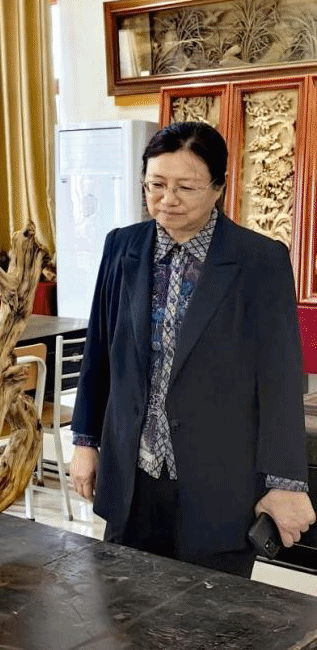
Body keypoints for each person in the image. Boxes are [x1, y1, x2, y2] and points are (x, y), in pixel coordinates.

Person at [70, 121, 314, 577]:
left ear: (219, 187)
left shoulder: (259, 260)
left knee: (210, 613)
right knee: (124, 604)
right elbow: (99, 352)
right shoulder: (122, 247)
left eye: (186, 187)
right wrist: (85, 441)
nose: (168, 199)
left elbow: (280, 379)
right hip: (133, 477)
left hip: (218, 482)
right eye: (156, 184)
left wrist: (286, 481)